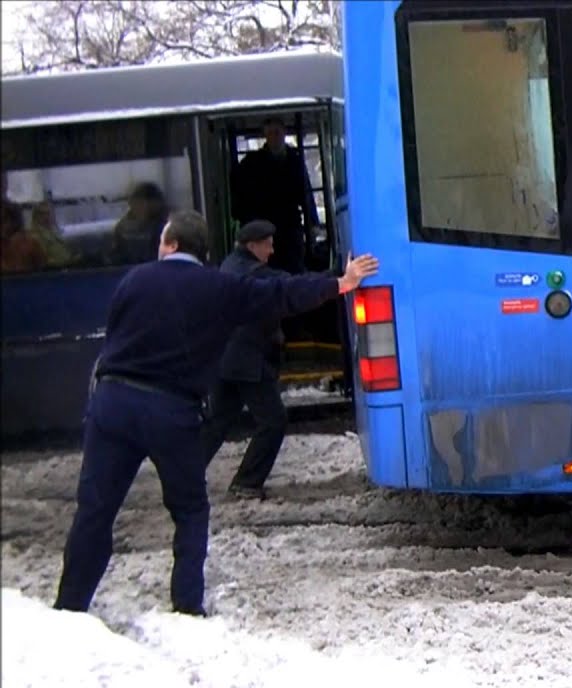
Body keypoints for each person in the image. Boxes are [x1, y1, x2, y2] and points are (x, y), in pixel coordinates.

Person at [53, 209, 379, 618]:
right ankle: (186, 606)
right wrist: (340, 283)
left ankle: (69, 608)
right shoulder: (219, 288)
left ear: (170, 244)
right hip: (171, 410)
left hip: (112, 403)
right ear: (201, 251)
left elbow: (112, 340)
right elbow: (279, 294)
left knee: (95, 512)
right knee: (190, 511)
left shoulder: (133, 280)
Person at [199, 220, 295, 500]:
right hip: (247, 360)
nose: (272, 250)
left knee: (218, 421)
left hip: (228, 358)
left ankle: (182, 474)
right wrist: (335, 278)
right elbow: (286, 285)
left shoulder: (231, 264)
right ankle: (247, 482)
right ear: (252, 246)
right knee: (274, 421)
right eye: (268, 245)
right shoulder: (251, 273)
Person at [230, 118, 321, 275]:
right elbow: (241, 195)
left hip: (290, 227)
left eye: (277, 132)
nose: (274, 137)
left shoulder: (294, 160)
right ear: (265, 136)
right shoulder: (252, 163)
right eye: (270, 133)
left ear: (284, 134)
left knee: (293, 270)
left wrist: (312, 222)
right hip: (264, 227)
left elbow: (305, 192)